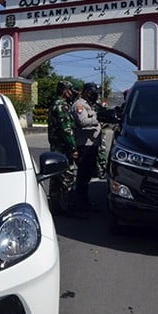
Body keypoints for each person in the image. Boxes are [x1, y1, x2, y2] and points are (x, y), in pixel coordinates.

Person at [47, 80, 79, 214]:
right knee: (68, 177)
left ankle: (55, 207)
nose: (71, 93)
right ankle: (71, 208)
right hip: (63, 148)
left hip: (56, 147)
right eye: (70, 90)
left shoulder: (55, 104)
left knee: (56, 177)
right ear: (65, 91)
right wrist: (73, 148)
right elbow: (66, 129)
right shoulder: (62, 106)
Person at [71, 83, 102, 210]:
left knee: (88, 175)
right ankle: (80, 204)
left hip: (92, 144)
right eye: (92, 93)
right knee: (83, 176)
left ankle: (85, 202)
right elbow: (83, 122)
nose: (94, 95)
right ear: (86, 92)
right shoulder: (80, 105)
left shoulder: (89, 105)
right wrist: (98, 118)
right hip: (84, 145)